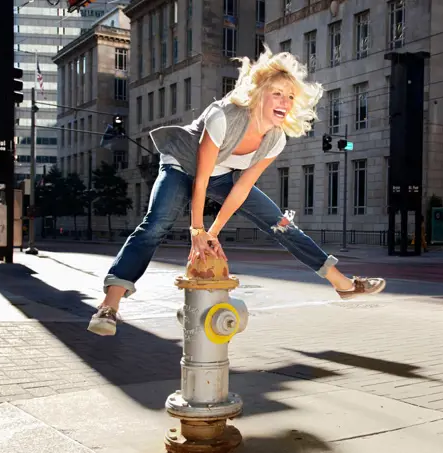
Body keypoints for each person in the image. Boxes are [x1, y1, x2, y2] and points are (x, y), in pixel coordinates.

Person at [87, 48, 386, 336]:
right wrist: (197, 230)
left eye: (291, 96)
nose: (285, 101)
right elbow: (200, 179)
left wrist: (213, 233)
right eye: (277, 93)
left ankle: (341, 283)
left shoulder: (275, 139)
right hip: (183, 164)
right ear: (260, 95)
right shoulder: (224, 116)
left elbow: (242, 188)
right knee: (156, 224)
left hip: (222, 176)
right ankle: (108, 306)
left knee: (281, 223)